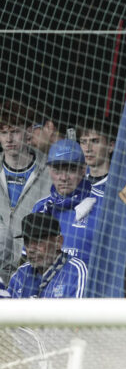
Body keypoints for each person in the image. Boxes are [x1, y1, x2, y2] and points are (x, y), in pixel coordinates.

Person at [0, 101, 51, 283]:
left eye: (14, 131)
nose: (8, 139)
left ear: (29, 131)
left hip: (36, 272)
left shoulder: (50, 171)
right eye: (3, 132)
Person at [32, 139, 97, 266]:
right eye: (57, 170)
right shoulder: (40, 208)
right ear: (49, 170)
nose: (63, 178)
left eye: (71, 169)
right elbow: (29, 265)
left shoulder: (101, 206)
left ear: (83, 169)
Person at [6, 212, 87, 298]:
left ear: (58, 242)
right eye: (27, 241)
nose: (31, 249)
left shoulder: (75, 272)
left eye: (38, 241)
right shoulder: (20, 274)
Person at [76, 116, 116, 199]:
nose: (88, 148)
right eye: (83, 142)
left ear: (110, 146)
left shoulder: (118, 187)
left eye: (95, 141)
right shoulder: (74, 183)